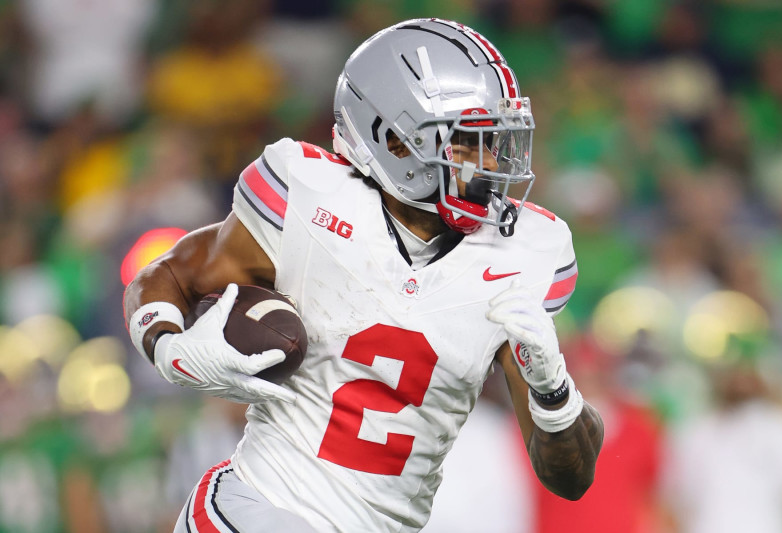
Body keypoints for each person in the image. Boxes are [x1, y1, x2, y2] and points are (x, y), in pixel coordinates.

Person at [124, 18, 604, 532]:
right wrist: (169, 347)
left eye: (495, 141)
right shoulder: (309, 197)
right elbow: (166, 277)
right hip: (260, 508)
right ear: (395, 140)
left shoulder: (525, 252)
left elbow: (570, 480)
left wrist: (555, 393)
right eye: (467, 142)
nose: (490, 163)